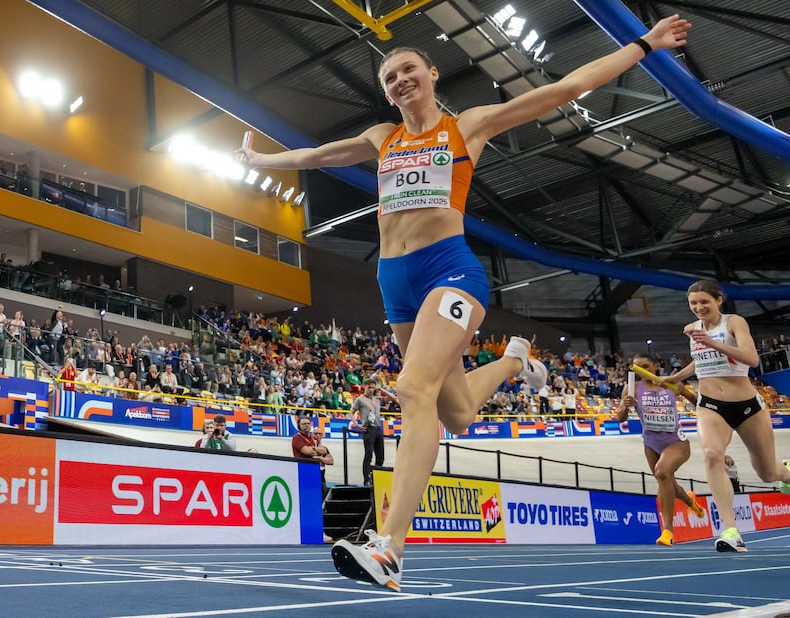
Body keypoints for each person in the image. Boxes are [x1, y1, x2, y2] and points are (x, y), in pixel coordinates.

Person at [237, 14, 689, 592]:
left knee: (410, 390)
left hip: (449, 269)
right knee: (453, 413)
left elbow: (566, 89)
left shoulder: (468, 126)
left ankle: (391, 548)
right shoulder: (383, 138)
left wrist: (644, 45)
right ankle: (515, 362)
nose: (399, 81)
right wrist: (260, 163)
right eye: (389, 77)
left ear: (430, 74)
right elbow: (317, 156)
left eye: (407, 70)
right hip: (394, 281)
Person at [662, 280, 790, 552]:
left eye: (704, 302)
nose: (698, 308)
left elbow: (751, 359)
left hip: (747, 406)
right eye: (693, 303)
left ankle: (785, 473)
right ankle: (730, 530)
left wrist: (712, 342)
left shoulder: (734, 323)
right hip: (709, 404)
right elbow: (702, 360)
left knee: (767, 473)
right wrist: (677, 376)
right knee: (711, 454)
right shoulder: (693, 330)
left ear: (719, 300)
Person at [617, 354, 705, 547]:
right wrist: (625, 407)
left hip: (676, 442)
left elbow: (698, 403)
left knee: (662, 472)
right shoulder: (632, 388)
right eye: (638, 367)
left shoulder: (673, 386)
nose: (643, 370)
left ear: (656, 366)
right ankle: (691, 502)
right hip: (650, 444)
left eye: (646, 366)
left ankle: (668, 531)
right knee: (668, 483)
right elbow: (620, 418)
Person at [350, 378, 390, 486]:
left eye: (373, 388)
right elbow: (351, 412)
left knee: (380, 456)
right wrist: (357, 424)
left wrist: (381, 389)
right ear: (364, 387)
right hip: (368, 429)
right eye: (369, 387)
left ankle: (377, 477)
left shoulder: (377, 399)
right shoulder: (360, 399)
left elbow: (392, 398)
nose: (371, 390)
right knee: (368, 455)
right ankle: (366, 479)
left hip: (378, 428)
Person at [312, 426, 335, 499]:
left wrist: (320, 458)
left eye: (319, 434)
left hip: (321, 474)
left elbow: (331, 461)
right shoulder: (309, 445)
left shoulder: (323, 448)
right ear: (312, 434)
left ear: (322, 435)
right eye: (316, 433)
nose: (318, 435)